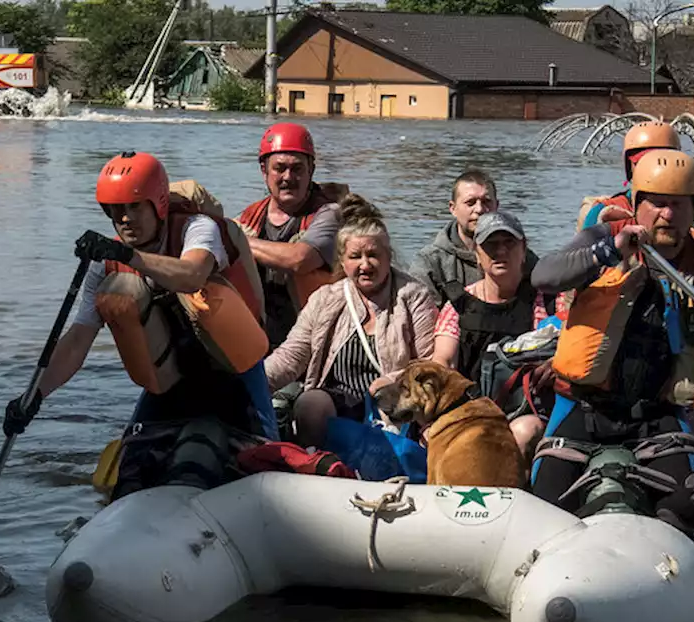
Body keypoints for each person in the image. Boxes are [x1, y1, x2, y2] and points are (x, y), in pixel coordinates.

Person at [530, 149, 694, 534]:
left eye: (678, 205)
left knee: (688, 503)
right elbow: (543, 276)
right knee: (542, 502)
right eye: (656, 204)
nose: (667, 215)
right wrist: (611, 251)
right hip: (583, 408)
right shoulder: (602, 239)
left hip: (657, 416)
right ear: (637, 205)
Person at [1, 151, 272, 501]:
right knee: (128, 480)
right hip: (172, 383)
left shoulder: (197, 229)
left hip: (237, 379)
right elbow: (78, 340)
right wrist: (34, 395)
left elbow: (192, 276)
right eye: (114, 211)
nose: (124, 219)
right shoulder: (107, 265)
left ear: (158, 204)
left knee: (212, 460)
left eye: (133, 207)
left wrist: (128, 256)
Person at [264, 195, 438, 448]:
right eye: (356, 256)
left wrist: (393, 381)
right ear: (343, 262)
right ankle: (317, 464)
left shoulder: (414, 296)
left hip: (395, 404)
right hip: (338, 402)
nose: (365, 265)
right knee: (309, 403)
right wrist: (254, 383)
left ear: (388, 256)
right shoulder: (325, 298)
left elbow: (429, 363)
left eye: (373, 255)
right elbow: (292, 355)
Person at [431, 212, 561, 459]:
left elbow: (574, 347)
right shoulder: (458, 305)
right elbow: (443, 362)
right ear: (477, 255)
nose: (500, 251)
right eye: (491, 244)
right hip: (471, 408)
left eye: (509, 243)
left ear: (523, 250)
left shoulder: (550, 300)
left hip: (529, 411)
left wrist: (559, 362)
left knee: (524, 430)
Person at [236, 122, 347, 349]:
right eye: (280, 168)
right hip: (260, 340)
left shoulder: (330, 214)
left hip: (315, 342)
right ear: (264, 170)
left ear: (311, 170)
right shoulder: (249, 218)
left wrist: (235, 240)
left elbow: (300, 259)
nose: (288, 177)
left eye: (297, 169)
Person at [410, 170, 537, 306]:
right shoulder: (430, 262)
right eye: (470, 203)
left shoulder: (520, 257)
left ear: (497, 205)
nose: (479, 209)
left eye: (486, 202)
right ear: (453, 208)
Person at [575, 120, 683, 233]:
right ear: (629, 167)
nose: (653, 172)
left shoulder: (684, 211)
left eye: (662, 163)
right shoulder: (602, 213)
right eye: (644, 165)